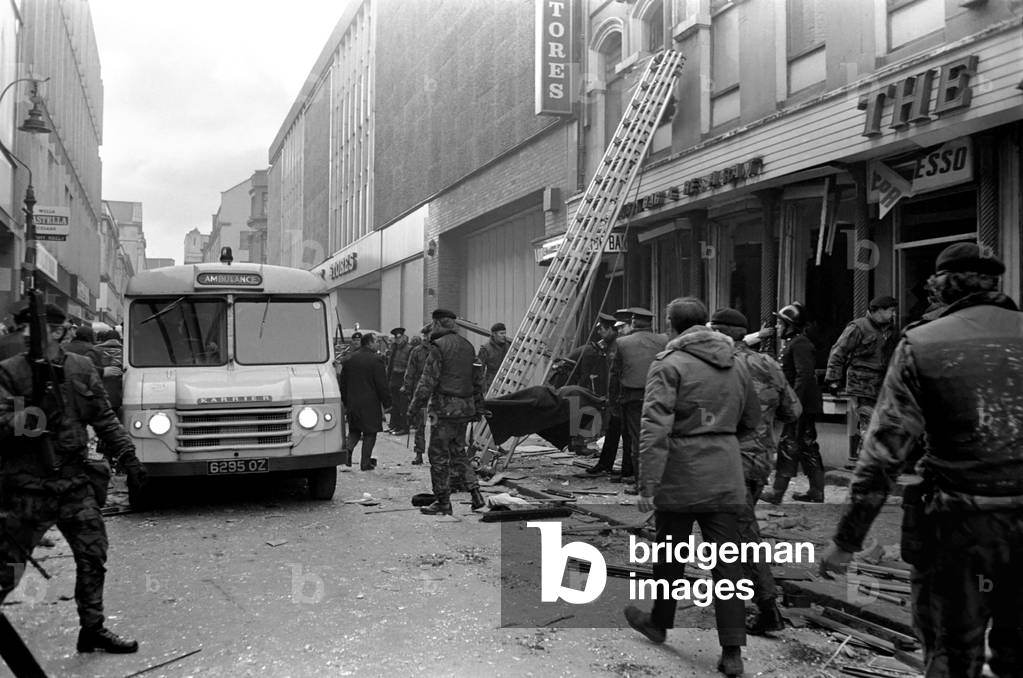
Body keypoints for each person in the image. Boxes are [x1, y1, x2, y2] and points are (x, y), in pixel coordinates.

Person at [820, 243, 1023, 678]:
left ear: (941, 286)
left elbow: (883, 454)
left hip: (956, 527)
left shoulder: (923, 343)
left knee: (951, 654)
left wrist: (847, 540)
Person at [623, 297, 760, 678]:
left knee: (670, 556)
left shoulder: (669, 364)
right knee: (727, 563)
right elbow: (752, 418)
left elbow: (654, 429)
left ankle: (659, 622)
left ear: (671, 325)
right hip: (725, 473)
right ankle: (732, 650)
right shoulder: (736, 362)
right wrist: (721, 438)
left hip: (680, 475)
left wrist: (647, 484)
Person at [0, 302, 146, 654]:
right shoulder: (11, 372)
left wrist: (129, 457)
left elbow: (104, 418)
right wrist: (28, 417)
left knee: (92, 555)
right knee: (7, 567)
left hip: (73, 483)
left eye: (39, 328)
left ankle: (92, 628)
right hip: (28, 489)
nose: (29, 336)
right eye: (28, 329)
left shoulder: (79, 368)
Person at [709, 307, 801, 635]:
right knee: (736, 531)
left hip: (725, 462)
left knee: (740, 534)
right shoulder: (768, 363)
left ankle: (766, 606)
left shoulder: (716, 366)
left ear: (717, 333)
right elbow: (793, 410)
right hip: (759, 461)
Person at [409, 309, 485, 516]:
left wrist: (414, 408)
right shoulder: (468, 346)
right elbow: (478, 380)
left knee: (438, 456)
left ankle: (443, 501)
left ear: (436, 324)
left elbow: (427, 381)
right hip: (464, 409)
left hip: (443, 410)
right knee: (459, 452)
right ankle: (476, 494)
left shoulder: (438, 347)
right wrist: (478, 407)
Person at [761, 302, 824, 503]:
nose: (778, 326)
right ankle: (816, 490)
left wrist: (793, 403)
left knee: (789, 445)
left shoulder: (800, 343)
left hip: (800, 404)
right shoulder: (795, 342)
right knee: (807, 445)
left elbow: (803, 376)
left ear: (790, 325)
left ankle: (777, 492)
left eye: (781, 323)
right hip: (803, 404)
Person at [824, 295, 898, 466]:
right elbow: (838, 352)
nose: (893, 314)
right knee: (869, 422)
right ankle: (867, 463)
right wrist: (833, 379)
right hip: (861, 385)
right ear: (878, 310)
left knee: (877, 424)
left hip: (882, 384)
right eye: (891, 310)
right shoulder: (858, 327)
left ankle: (865, 460)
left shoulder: (890, 329)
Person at [609, 308, 668, 494]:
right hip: (659, 395)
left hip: (633, 397)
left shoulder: (622, 342)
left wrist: (612, 401)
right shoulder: (664, 340)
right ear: (650, 323)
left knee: (637, 440)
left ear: (633, 322)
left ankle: (641, 483)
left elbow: (615, 374)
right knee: (659, 438)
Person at [555, 313, 615, 456]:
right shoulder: (591, 352)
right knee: (583, 408)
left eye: (601, 330)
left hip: (567, 382)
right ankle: (578, 445)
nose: (599, 333)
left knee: (578, 410)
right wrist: (588, 396)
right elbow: (584, 376)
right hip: (566, 382)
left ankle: (574, 443)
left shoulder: (593, 350)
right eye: (600, 330)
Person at [338, 332, 391, 471]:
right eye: (376, 342)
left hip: (352, 402)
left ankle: (348, 451)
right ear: (369, 343)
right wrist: (387, 403)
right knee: (370, 432)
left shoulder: (349, 359)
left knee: (354, 430)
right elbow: (381, 384)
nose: (377, 344)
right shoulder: (376, 360)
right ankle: (365, 463)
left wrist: (345, 401)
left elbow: (343, 383)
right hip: (370, 403)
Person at [402, 325, 433, 465]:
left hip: (436, 393)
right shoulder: (417, 351)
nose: (426, 338)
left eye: (428, 335)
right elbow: (410, 371)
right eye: (424, 335)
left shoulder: (439, 350)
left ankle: (436, 454)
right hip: (421, 393)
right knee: (420, 425)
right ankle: (419, 453)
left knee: (437, 425)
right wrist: (408, 389)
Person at [88, 328, 125, 415]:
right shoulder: (127, 351)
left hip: (100, 396)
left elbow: (87, 370)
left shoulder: (94, 351)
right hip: (120, 396)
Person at [386, 327, 411, 435]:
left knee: (403, 405)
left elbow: (410, 367)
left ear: (403, 337)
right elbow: (390, 365)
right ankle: (395, 425)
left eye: (399, 337)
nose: (398, 339)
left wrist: (406, 383)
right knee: (395, 404)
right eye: (396, 337)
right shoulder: (394, 348)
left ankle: (404, 427)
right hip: (394, 377)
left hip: (403, 377)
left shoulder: (409, 349)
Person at [477, 322, 509, 395]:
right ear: (494, 334)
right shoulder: (485, 349)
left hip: (507, 382)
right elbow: (480, 370)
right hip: (491, 383)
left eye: (505, 333)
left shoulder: (509, 346)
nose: (504, 336)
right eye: (501, 333)